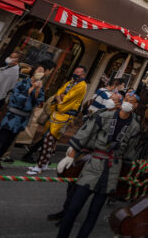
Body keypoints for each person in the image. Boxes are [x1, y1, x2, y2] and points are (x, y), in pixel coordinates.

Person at [55, 91, 141, 238]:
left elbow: (130, 151)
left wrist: (130, 168)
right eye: (126, 99)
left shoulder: (135, 126)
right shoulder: (104, 116)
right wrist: (71, 155)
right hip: (94, 164)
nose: (127, 102)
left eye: (131, 101)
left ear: (136, 105)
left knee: (93, 213)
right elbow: (86, 133)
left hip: (113, 169)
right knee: (74, 208)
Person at [0, 61, 54, 172]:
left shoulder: (40, 87)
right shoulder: (22, 83)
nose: (41, 72)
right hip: (12, 115)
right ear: (33, 72)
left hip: (23, 118)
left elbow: (38, 101)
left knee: (9, 141)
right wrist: (31, 89)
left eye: (42, 71)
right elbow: (17, 98)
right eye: (38, 70)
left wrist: (38, 89)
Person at [27, 66, 88, 175]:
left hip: (64, 116)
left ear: (83, 75)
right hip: (57, 113)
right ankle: (44, 164)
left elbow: (67, 97)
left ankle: (39, 166)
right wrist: (60, 97)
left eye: (77, 72)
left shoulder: (82, 86)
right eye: (74, 71)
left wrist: (60, 97)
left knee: (48, 141)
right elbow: (59, 92)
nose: (74, 73)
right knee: (49, 141)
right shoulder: (71, 82)